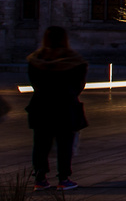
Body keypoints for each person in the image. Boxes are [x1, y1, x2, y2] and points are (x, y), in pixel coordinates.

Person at [25, 27, 87, 191]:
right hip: (65, 105)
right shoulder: (74, 61)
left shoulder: (36, 60)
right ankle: (64, 178)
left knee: (40, 144)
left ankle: (40, 178)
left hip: (41, 105)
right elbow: (79, 85)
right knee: (65, 143)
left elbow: (34, 83)